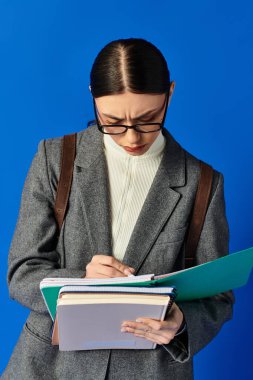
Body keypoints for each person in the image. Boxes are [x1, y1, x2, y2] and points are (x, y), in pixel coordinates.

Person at [3, 37, 235, 380]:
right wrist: (82, 281)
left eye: (147, 120)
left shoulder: (204, 184)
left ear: (169, 93)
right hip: (48, 367)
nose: (131, 137)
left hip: (151, 369)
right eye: (112, 121)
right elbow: (21, 273)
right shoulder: (56, 159)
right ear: (93, 98)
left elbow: (218, 298)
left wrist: (181, 324)